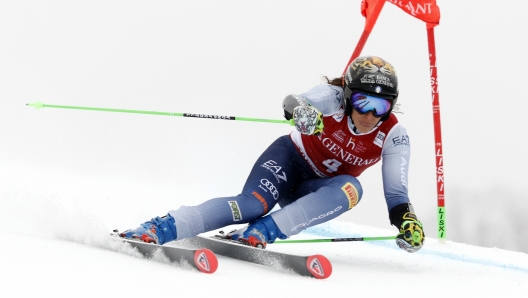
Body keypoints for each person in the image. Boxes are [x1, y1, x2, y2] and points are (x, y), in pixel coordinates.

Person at [119, 55, 425, 253]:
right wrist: (302, 113)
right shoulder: (332, 100)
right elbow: (293, 101)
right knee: (253, 204)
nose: (369, 114)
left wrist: (407, 222)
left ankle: (262, 232)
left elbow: (397, 195)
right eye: (362, 101)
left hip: (313, 192)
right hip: (288, 161)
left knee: (352, 189)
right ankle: (160, 227)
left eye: (381, 106)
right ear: (347, 95)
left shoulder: (394, 136)